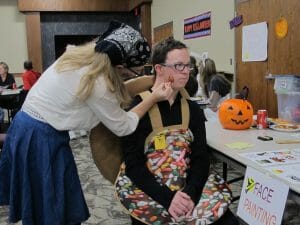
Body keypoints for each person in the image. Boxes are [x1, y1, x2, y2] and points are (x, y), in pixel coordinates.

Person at [0, 20, 172, 225]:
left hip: (26, 127)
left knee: (50, 202)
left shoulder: (84, 57)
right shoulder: (97, 82)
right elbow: (124, 126)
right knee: (52, 209)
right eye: (129, 72)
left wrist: (143, 83)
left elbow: (114, 93)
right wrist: (153, 98)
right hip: (40, 137)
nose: (129, 75)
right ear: (118, 66)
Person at [116, 38, 239, 225]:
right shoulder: (137, 110)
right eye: (178, 66)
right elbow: (133, 166)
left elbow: (200, 159)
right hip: (150, 190)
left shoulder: (193, 110)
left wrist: (189, 194)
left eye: (188, 66)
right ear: (159, 69)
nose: (185, 72)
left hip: (188, 187)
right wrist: (168, 198)